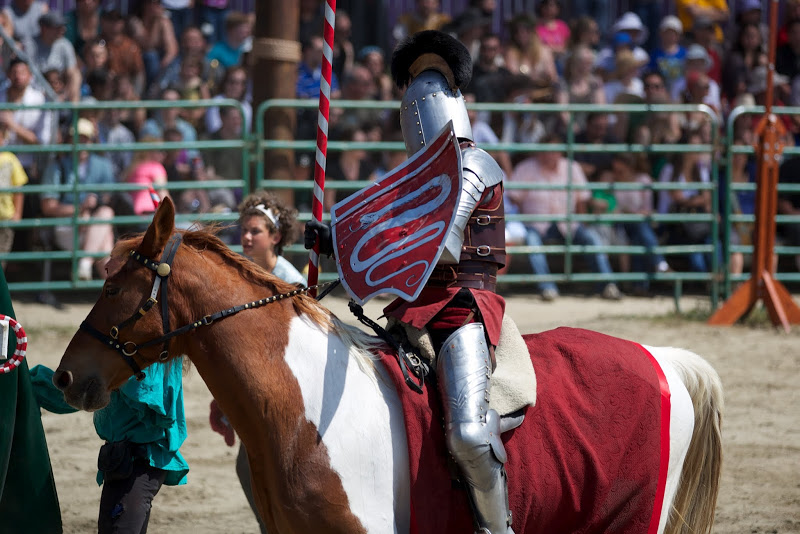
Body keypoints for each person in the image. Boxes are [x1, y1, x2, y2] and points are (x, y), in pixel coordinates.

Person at [305, 30, 515, 534]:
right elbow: (388, 231)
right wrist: (335, 240)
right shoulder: (417, 177)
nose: (419, 115)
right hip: (411, 307)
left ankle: (497, 527)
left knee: (466, 434)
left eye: (426, 103)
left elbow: (437, 244)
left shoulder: (471, 166)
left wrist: (367, 242)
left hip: (461, 306)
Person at [209, 190, 305, 534]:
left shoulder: (291, 282)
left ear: (276, 236)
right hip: (255, 383)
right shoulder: (241, 274)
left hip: (286, 389)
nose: (246, 237)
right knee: (250, 468)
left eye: (255, 231)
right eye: (244, 231)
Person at [29, 352, 189, 533]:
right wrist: (29, 382)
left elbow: (156, 406)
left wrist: (107, 372)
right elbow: (78, 393)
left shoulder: (152, 356)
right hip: (122, 459)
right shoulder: (124, 356)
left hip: (141, 460)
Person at [507, 132, 623, 301]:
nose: (548, 155)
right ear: (539, 152)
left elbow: (582, 199)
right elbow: (513, 198)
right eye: (545, 151)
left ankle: (608, 285)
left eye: (553, 151)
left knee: (591, 239)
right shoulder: (526, 168)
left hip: (568, 223)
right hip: (536, 224)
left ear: (560, 152)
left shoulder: (572, 167)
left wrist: (583, 222)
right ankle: (547, 288)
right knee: (532, 243)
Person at [39, 118, 115, 280]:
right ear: (69, 141)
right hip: (68, 226)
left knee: (106, 213)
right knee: (105, 236)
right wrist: (80, 209)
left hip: (92, 223)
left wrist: (93, 205)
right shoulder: (57, 166)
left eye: (85, 139)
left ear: (92, 142)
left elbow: (109, 197)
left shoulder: (103, 165)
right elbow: (48, 207)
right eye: (77, 139)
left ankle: (85, 264)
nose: (81, 143)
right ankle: (113, 293)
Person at [24, 12, 82, 103]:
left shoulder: (65, 45)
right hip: (35, 90)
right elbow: (27, 74)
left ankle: (74, 112)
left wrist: (64, 94)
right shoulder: (29, 45)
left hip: (59, 91)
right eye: (57, 26)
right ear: (44, 28)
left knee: (76, 75)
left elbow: (72, 72)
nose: (63, 29)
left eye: (62, 26)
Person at [0, 120, 28, 269]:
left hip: (5, 219)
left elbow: (19, 187)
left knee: (2, 257)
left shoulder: (10, 159)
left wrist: (17, 213)